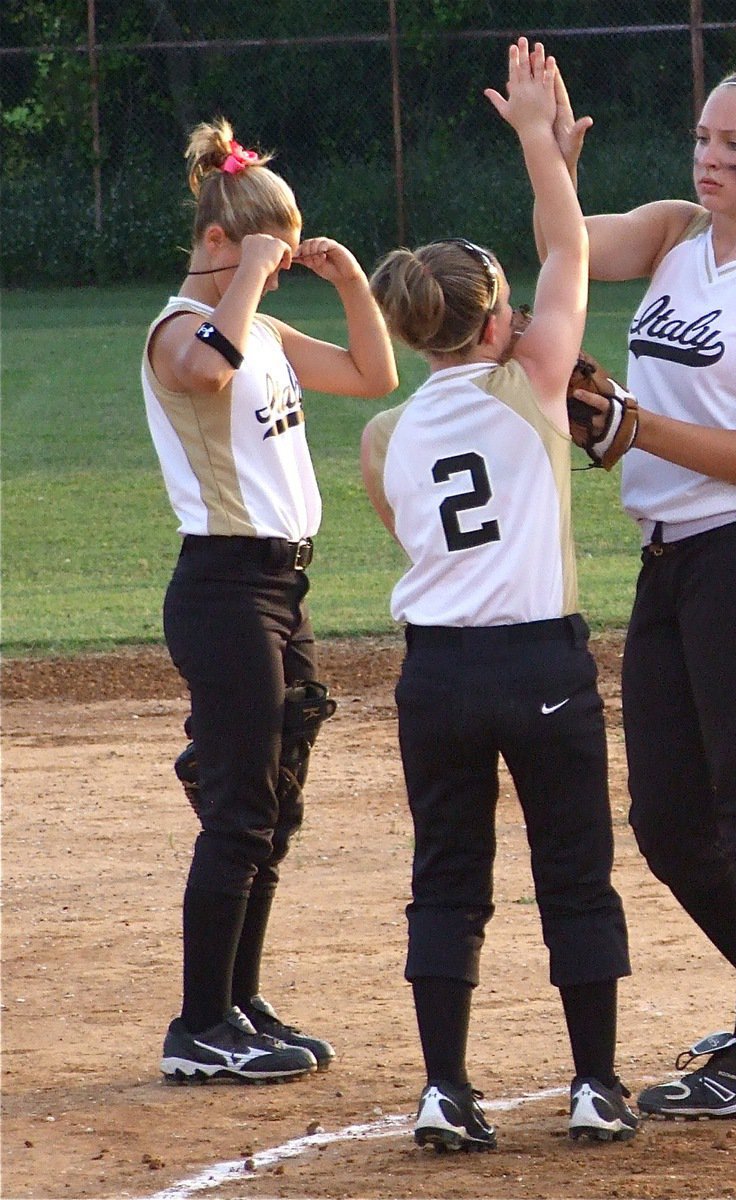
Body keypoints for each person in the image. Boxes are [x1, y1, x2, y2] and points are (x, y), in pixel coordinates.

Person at [540, 64, 736, 1117]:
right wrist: (548, 152)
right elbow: (564, 248)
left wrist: (634, 428)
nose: (712, 161)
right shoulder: (677, 233)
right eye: (703, 140)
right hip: (670, 561)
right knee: (668, 821)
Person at [360, 39, 636, 1150]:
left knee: (447, 878)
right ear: (489, 328)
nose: (523, 318)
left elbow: (412, 533)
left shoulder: (384, 433)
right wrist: (537, 142)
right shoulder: (528, 386)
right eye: (509, 310)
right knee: (573, 874)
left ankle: (443, 1088)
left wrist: (547, 155)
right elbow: (567, 247)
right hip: (539, 664)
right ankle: (593, 1087)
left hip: (436, 672)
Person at [142, 118, 398, 1083]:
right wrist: (246, 270)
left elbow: (373, 375)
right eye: (266, 252)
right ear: (217, 243)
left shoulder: (268, 326)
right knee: (241, 811)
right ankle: (196, 1028)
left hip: (283, 587)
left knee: (275, 806)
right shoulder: (179, 328)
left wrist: (349, 286)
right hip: (222, 589)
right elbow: (206, 368)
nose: (278, 270)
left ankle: (238, 1003)